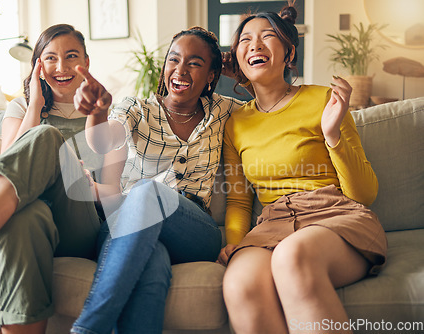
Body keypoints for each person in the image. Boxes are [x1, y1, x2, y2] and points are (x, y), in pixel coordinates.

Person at [0, 24, 123, 334]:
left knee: (48, 137)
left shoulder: (104, 116)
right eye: (50, 58)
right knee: (25, 218)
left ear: (86, 61)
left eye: (72, 56)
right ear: (37, 66)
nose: (61, 67)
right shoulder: (20, 108)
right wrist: (34, 106)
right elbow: (8, 164)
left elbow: (114, 194)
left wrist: (80, 179)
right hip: (23, 215)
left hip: (77, 227)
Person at [217, 6, 388, 334]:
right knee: (239, 282)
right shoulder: (235, 123)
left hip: (335, 216)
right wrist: (235, 242)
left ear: (289, 52)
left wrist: (332, 135)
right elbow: (239, 199)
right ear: (238, 59)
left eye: (267, 37)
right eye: (246, 41)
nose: (255, 45)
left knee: (291, 256)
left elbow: (365, 193)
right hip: (273, 225)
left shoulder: (325, 99)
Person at [69, 27, 244, 334]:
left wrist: (240, 75)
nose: (180, 70)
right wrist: (97, 113)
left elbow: (272, 107)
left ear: (212, 76)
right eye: (173, 60)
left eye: (195, 63)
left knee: (149, 192)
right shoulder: (136, 108)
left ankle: (88, 328)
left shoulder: (224, 110)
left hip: (190, 230)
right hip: (125, 226)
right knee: (152, 266)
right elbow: (101, 140)